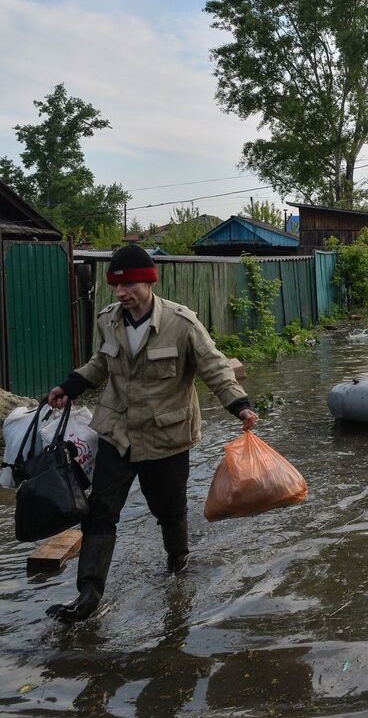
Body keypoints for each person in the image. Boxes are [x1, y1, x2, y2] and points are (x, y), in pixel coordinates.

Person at [43, 245, 258, 622]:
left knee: (169, 509)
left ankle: (178, 562)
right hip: (117, 432)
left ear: (148, 281)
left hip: (166, 437)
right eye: (115, 287)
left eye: (127, 286)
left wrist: (238, 404)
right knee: (100, 512)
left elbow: (214, 366)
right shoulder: (109, 319)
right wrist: (70, 385)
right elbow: (100, 362)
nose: (120, 293)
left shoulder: (182, 323)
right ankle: (88, 596)